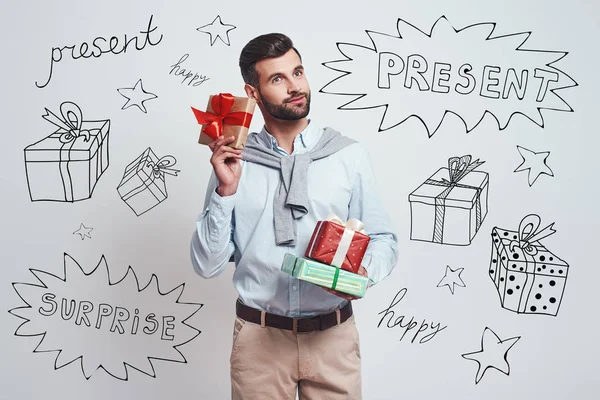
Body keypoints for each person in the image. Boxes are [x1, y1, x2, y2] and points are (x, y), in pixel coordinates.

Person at [190, 33, 398, 400]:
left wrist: (364, 273)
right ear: (252, 93)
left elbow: (383, 240)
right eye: (277, 79)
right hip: (259, 342)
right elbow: (207, 264)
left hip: (334, 339)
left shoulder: (348, 156)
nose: (295, 87)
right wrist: (226, 192)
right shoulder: (236, 160)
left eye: (298, 73)